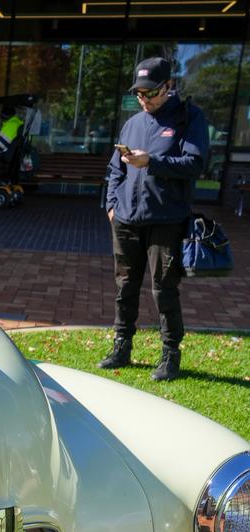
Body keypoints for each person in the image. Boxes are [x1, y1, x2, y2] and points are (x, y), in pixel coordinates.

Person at [100, 57, 209, 381]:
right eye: (139, 94)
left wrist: (152, 162)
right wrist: (111, 205)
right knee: (125, 287)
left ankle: (170, 354)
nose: (144, 99)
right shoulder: (133, 123)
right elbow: (114, 169)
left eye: (150, 93)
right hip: (126, 218)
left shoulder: (189, 117)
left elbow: (194, 164)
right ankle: (122, 346)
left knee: (164, 289)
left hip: (166, 218)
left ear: (168, 86)